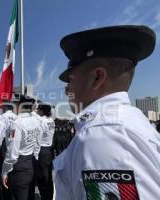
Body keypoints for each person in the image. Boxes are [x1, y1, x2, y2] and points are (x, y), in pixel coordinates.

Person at [53, 25, 160, 200]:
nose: (67, 91)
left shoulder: (102, 135)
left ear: (97, 77)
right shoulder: (128, 119)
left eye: (70, 81)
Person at [2, 94, 43, 200]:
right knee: (30, 196)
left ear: (19, 105)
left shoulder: (16, 124)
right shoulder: (37, 121)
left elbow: (12, 153)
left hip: (19, 167)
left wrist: (5, 171)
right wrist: (34, 159)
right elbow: (38, 144)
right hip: (31, 163)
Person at [0, 99, 18, 200]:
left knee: (3, 171)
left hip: (4, 145)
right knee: (13, 169)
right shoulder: (16, 117)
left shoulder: (2, 117)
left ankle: (6, 195)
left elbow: (0, 135)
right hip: (15, 144)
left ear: (5, 107)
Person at [36, 102, 55, 200]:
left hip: (42, 151)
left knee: (42, 178)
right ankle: (49, 196)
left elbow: (37, 139)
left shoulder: (41, 122)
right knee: (48, 178)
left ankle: (45, 197)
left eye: (38, 110)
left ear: (42, 111)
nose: (37, 111)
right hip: (49, 150)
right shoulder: (51, 120)